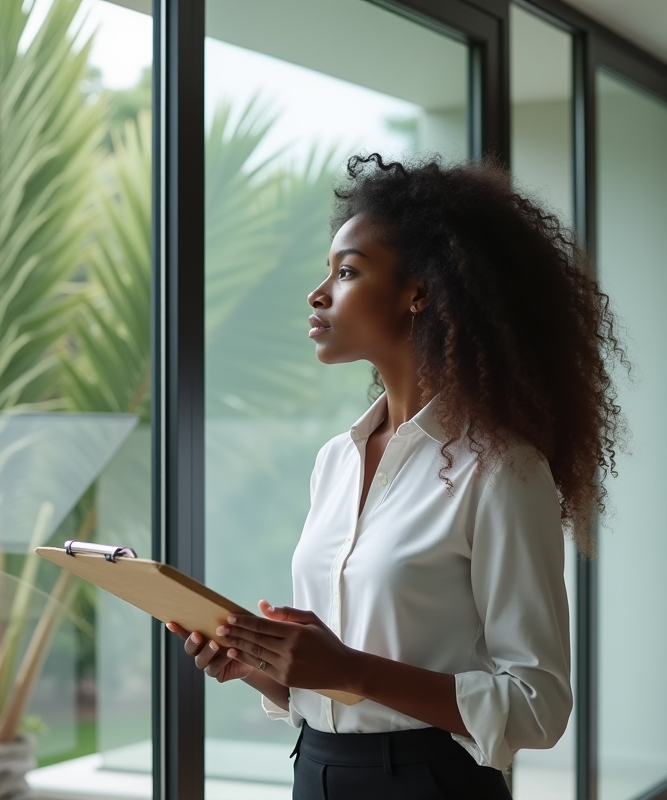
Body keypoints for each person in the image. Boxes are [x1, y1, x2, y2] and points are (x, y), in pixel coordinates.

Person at [166, 153, 624, 799]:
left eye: (348, 271)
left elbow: (538, 705)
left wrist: (351, 669)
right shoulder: (336, 460)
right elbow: (332, 691)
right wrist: (258, 666)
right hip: (315, 772)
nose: (318, 293)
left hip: (430, 784)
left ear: (421, 291)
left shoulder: (501, 470)